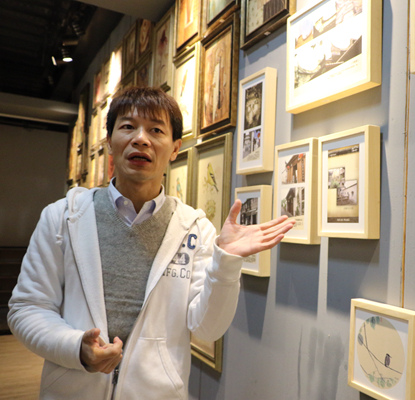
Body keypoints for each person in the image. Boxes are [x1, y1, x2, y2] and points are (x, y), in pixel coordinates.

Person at [8, 87, 294, 400]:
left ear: (175, 148)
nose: (141, 139)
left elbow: (207, 328)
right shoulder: (62, 217)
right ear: (110, 141)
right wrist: (76, 348)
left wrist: (226, 261)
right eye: (128, 127)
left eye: (156, 130)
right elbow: (28, 308)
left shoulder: (194, 228)